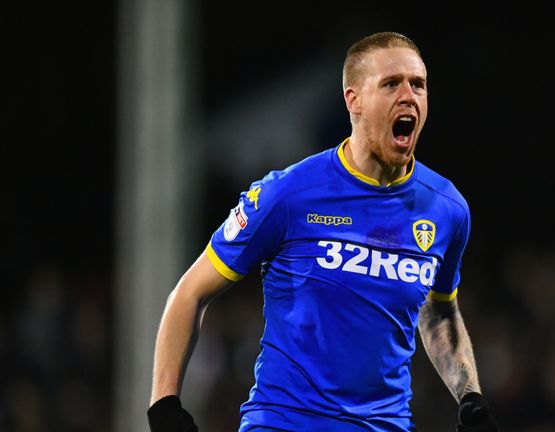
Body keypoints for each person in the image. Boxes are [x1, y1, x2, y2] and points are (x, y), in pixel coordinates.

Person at [147, 31, 498, 432]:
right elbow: (190, 293)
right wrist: (165, 404)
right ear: (354, 100)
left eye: (418, 84)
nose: (408, 96)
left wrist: (470, 398)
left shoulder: (447, 210)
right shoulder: (289, 194)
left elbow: (438, 311)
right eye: (390, 84)